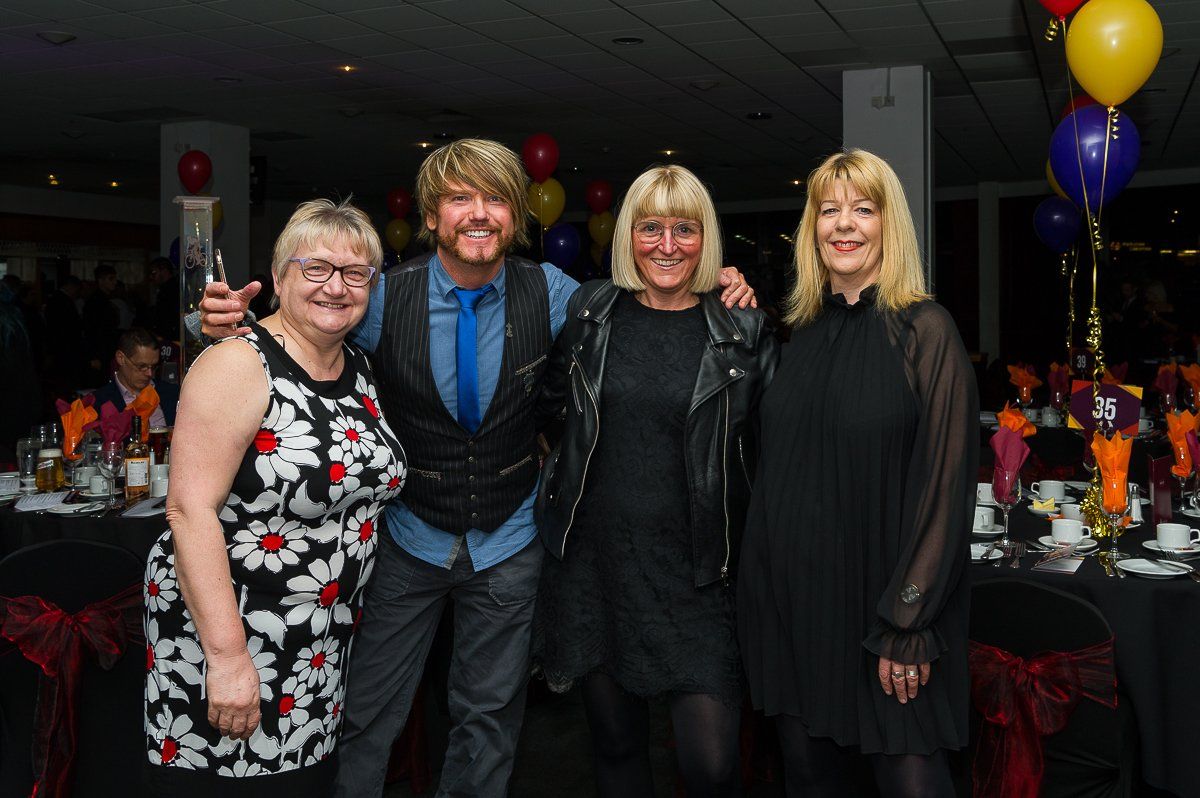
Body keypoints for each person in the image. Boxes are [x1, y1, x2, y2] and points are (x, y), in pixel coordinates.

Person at [197, 138, 755, 797]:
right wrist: (235, 323)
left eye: (495, 199)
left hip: (510, 540)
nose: (479, 213)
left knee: (488, 722)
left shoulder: (557, 295)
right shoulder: (380, 297)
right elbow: (304, 330)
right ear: (432, 215)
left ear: (516, 218)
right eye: (461, 198)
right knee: (370, 715)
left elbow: (642, 301)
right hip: (409, 539)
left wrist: (721, 284)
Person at [144, 198, 406, 795]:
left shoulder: (357, 368)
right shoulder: (238, 363)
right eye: (316, 268)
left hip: (318, 648)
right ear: (280, 276)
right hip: (233, 639)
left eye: (355, 273)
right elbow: (189, 510)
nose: (335, 287)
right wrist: (229, 657)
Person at [737, 150, 977, 798]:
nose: (844, 224)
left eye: (863, 209)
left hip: (883, 617)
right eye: (829, 209)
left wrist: (907, 622)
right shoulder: (801, 332)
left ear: (887, 224)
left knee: (910, 782)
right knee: (811, 780)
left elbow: (946, 491)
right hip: (794, 617)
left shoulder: (925, 331)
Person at [533, 165, 777, 797]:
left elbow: (765, 449)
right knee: (616, 751)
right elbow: (554, 411)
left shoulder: (741, 330)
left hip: (700, 576)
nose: (667, 245)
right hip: (598, 567)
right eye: (650, 228)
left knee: (711, 766)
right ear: (627, 236)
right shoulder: (592, 314)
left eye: (684, 229)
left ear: (707, 240)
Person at [91, 327, 180, 426]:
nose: (149, 373)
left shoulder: (174, 394)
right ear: (121, 358)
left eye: (154, 366)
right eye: (141, 366)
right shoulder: (98, 402)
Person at [83, 263, 121, 384]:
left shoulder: (104, 300)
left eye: (114, 278)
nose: (114, 282)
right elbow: (90, 330)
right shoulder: (94, 302)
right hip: (100, 352)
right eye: (111, 279)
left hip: (107, 351)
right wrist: (93, 356)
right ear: (100, 280)